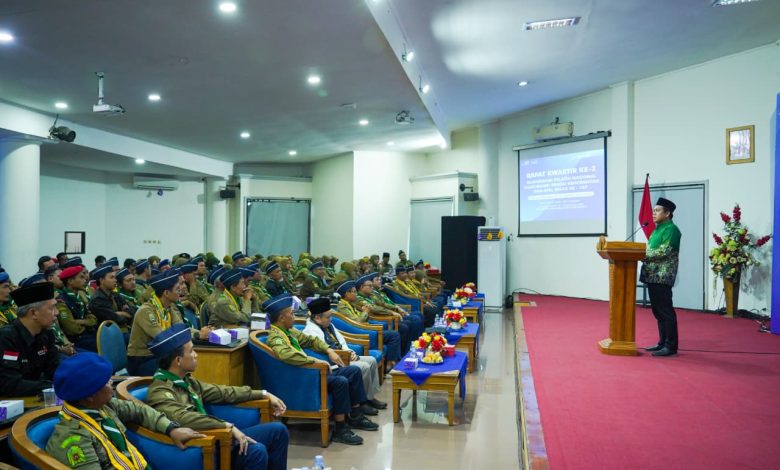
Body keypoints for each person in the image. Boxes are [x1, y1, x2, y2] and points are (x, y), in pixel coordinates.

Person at [146, 324, 289, 470]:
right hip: (202, 447)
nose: (196, 354)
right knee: (256, 451)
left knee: (278, 430)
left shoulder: (187, 381)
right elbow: (183, 417)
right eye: (192, 351)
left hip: (219, 438)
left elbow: (224, 392)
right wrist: (227, 426)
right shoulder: (159, 391)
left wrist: (264, 393)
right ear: (178, 360)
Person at [46, 352, 204, 469]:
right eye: (106, 382)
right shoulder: (73, 438)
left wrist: (170, 428)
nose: (111, 382)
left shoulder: (104, 406)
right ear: (90, 396)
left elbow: (139, 411)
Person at [264, 293, 377, 445]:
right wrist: (314, 360)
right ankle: (340, 429)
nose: (294, 316)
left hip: (309, 372)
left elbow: (311, 340)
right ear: (282, 318)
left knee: (353, 371)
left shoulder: (289, 331)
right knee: (340, 381)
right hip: (302, 377)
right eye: (291, 313)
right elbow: (287, 355)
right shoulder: (275, 337)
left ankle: (356, 416)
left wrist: (329, 350)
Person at [302, 298, 386, 415]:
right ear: (317, 318)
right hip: (333, 363)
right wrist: (346, 355)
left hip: (344, 356)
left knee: (371, 360)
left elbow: (341, 342)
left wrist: (350, 352)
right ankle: (362, 403)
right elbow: (325, 352)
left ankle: (369, 397)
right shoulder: (310, 331)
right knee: (364, 366)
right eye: (328, 317)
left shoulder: (328, 325)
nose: (331, 319)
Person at [640, 197, 682, 357]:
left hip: (662, 275)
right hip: (652, 275)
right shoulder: (657, 229)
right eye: (653, 210)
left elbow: (664, 251)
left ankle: (671, 346)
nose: (653, 213)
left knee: (665, 311)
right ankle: (662, 343)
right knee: (657, 312)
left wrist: (642, 254)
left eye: (657, 211)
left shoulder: (672, 229)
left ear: (667, 213)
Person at [0, 282, 60, 396]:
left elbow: (55, 369)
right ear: (33, 313)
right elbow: (10, 384)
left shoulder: (46, 335)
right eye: (52, 308)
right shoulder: (6, 338)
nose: (57, 312)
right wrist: (50, 386)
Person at [127, 270, 185, 376]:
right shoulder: (146, 311)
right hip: (142, 361)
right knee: (178, 366)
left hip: (159, 356)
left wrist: (200, 334)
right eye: (177, 288)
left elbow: (181, 328)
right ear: (166, 293)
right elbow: (163, 338)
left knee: (185, 361)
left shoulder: (168, 308)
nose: (180, 291)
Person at [336, 281, 402, 367]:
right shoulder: (343, 306)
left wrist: (365, 312)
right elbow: (357, 322)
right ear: (347, 294)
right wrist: (365, 312)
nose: (356, 294)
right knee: (393, 335)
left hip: (365, 329)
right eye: (354, 292)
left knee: (393, 334)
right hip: (360, 334)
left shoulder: (350, 303)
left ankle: (392, 362)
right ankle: (391, 364)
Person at [56, 266, 99, 351]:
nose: (85, 279)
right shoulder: (62, 301)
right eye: (81, 277)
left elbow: (94, 319)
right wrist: (88, 324)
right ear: (70, 281)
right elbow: (72, 329)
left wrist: (81, 321)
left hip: (88, 336)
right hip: (76, 340)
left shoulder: (80, 297)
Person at [88, 265, 134, 332]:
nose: (115, 280)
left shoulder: (114, 294)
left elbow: (133, 310)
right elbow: (118, 320)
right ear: (101, 280)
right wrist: (125, 313)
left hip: (121, 330)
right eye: (112, 277)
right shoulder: (98, 299)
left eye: (115, 277)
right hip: (108, 334)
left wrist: (119, 313)